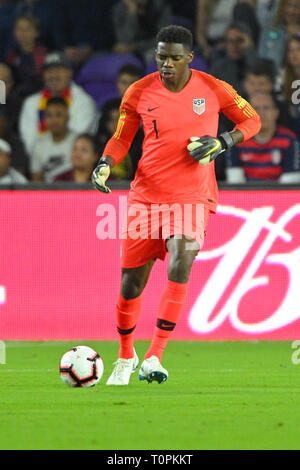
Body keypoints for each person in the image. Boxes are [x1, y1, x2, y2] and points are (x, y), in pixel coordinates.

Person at [92, 25, 261, 385]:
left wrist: (222, 141)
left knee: (183, 254)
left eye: (173, 57)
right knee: (130, 286)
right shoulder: (138, 92)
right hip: (147, 196)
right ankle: (126, 354)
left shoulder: (214, 88)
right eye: (160, 56)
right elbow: (122, 137)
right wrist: (105, 163)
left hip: (191, 195)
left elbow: (252, 120)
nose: (166, 64)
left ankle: (155, 355)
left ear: (189, 58)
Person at [19, 51, 98, 155]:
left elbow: (77, 137)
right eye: (49, 71)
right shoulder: (31, 103)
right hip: (40, 160)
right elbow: (28, 140)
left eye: (58, 70)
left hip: (72, 161)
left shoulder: (84, 102)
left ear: (70, 73)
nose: (54, 76)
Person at [226, 92, 300, 183]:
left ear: (276, 113)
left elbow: (291, 181)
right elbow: (235, 182)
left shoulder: (289, 140)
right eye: (256, 108)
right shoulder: (236, 139)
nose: (261, 113)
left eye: (266, 108)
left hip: (279, 196)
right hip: (245, 196)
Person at [30, 97, 76, 182]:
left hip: (73, 190)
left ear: (67, 117)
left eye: (58, 115)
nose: (54, 121)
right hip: (48, 193)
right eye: (49, 116)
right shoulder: (39, 143)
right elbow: (36, 177)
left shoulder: (77, 141)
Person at [6, 13, 47, 97]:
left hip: (41, 95)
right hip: (16, 98)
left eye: (27, 29)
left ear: (36, 32)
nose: (23, 33)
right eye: (19, 29)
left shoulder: (45, 54)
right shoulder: (11, 56)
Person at [96, 98, 133, 180]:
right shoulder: (98, 146)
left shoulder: (140, 143)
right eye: (111, 120)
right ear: (105, 123)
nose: (115, 124)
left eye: (119, 119)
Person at [258, 0, 300, 71]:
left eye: (296, 7)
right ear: (282, 7)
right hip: (271, 76)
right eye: (288, 5)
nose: (291, 10)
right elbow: (261, 57)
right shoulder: (270, 28)